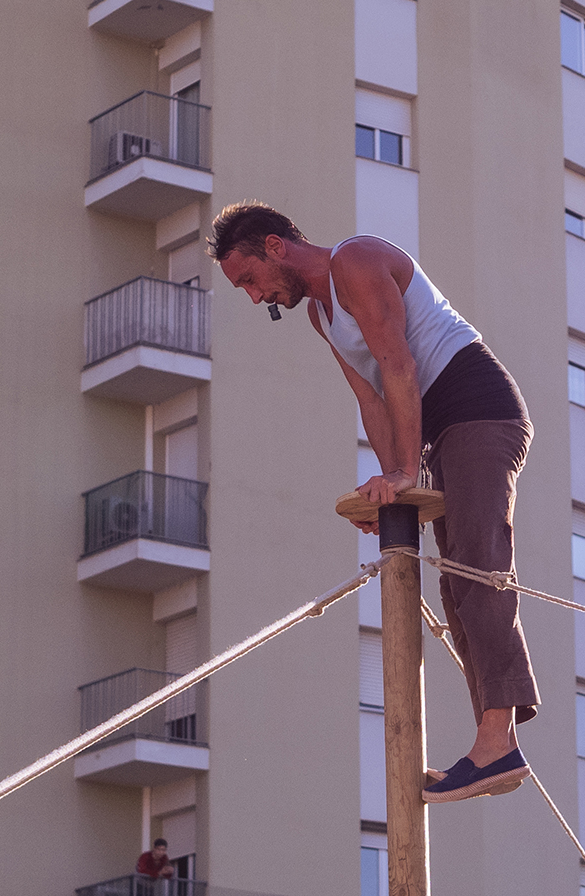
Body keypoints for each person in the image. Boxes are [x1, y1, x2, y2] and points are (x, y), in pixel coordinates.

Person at [207, 202, 539, 803]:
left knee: (477, 568)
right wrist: (395, 494)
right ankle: (494, 743)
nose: (254, 298)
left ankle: (498, 744)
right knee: (455, 584)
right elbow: (373, 398)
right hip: (440, 429)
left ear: (276, 247)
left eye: (249, 280)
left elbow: (399, 363)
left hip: (479, 411)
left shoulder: (356, 260)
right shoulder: (319, 315)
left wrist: (404, 470)